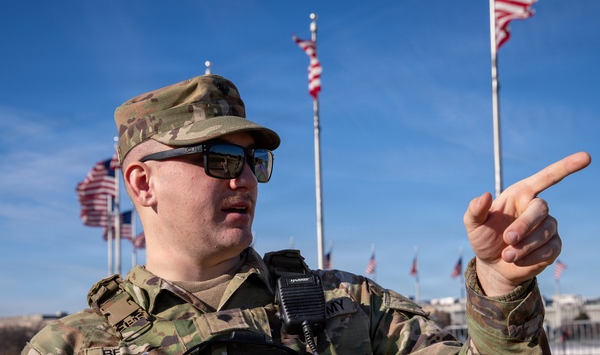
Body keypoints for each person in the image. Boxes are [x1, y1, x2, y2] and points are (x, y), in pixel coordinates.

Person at [23, 74, 591, 355]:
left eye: (252, 160)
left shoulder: (350, 308)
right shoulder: (73, 345)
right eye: (218, 159)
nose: (242, 176)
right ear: (143, 183)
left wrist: (498, 287)